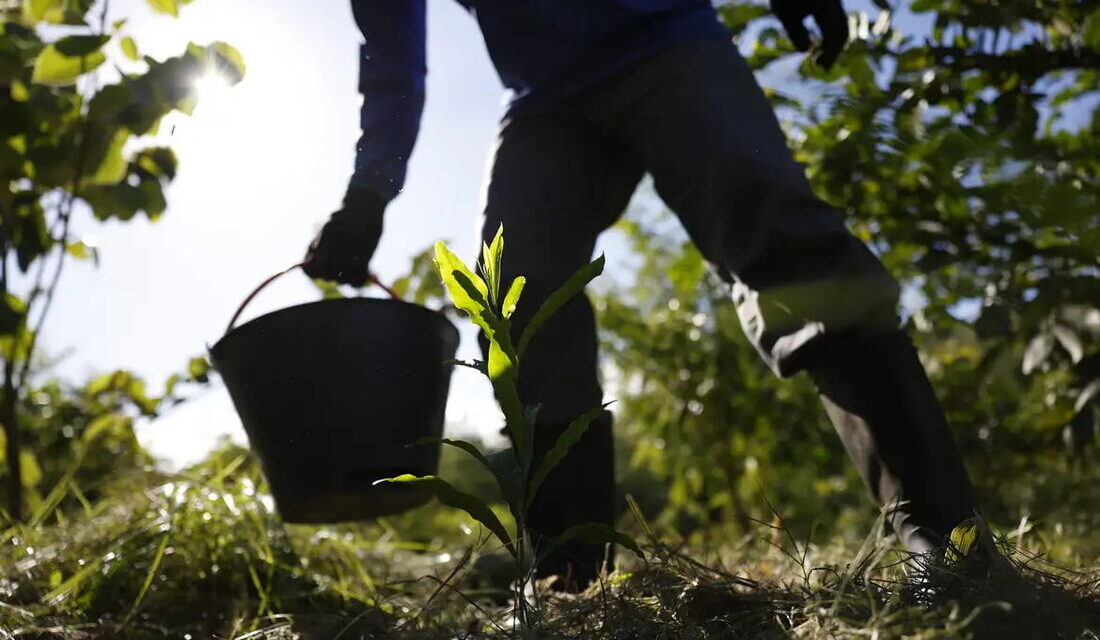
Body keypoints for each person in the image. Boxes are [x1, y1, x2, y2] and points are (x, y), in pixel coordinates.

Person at [303, 0, 978, 590]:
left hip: (667, 36)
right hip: (544, 97)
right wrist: (368, 194)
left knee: (777, 231)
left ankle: (944, 541)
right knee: (514, 304)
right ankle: (568, 576)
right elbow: (391, 56)